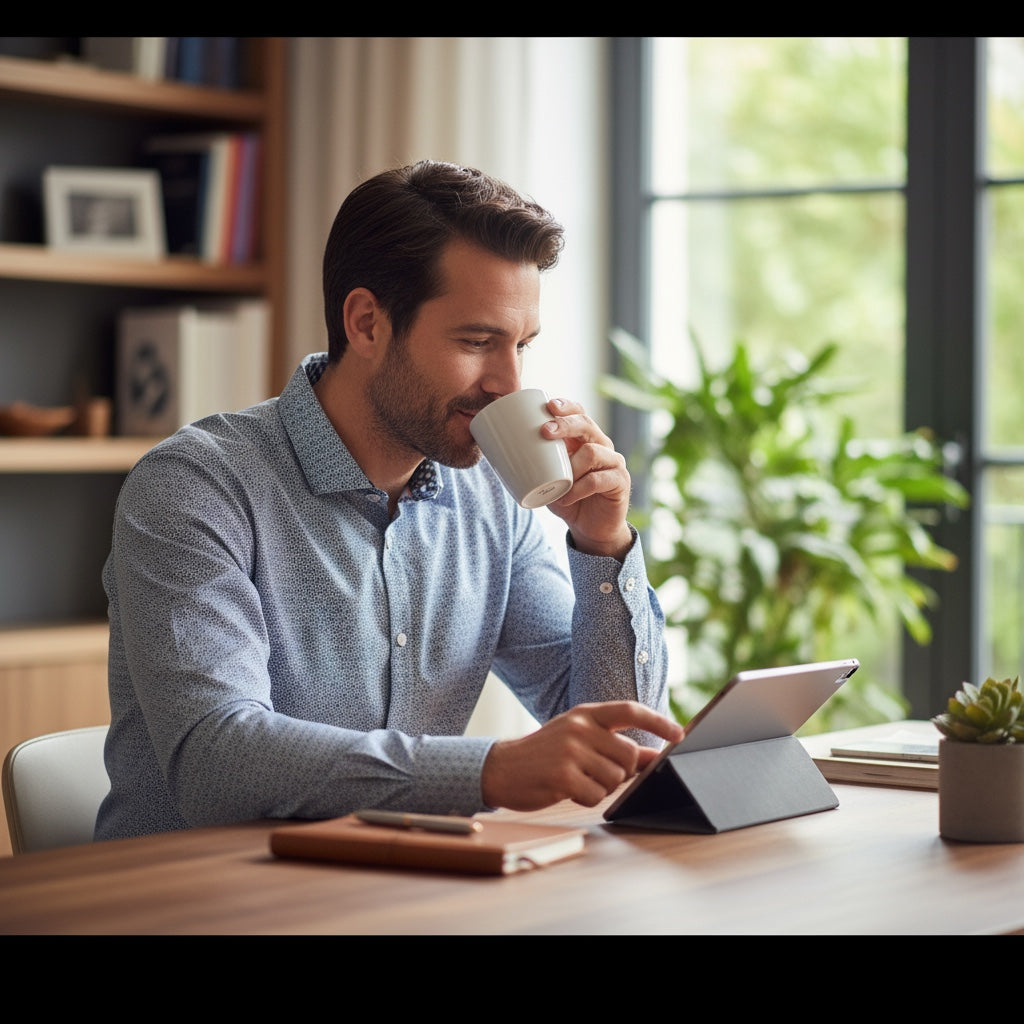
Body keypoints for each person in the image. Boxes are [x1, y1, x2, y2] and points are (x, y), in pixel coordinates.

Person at [95, 159, 682, 841]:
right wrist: (488, 772)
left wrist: (602, 546)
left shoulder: (490, 497)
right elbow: (217, 761)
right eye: (477, 341)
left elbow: (626, 742)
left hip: (402, 879)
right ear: (367, 323)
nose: (509, 382)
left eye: (521, 345)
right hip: (197, 887)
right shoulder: (195, 487)